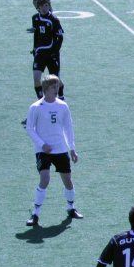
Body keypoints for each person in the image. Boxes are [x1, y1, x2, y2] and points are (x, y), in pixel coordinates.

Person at [25, 74, 82, 226]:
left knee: (67, 181)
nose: (56, 89)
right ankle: (35, 214)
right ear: (45, 89)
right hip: (43, 150)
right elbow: (30, 129)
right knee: (44, 179)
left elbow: (68, 128)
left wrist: (72, 148)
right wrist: (42, 144)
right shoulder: (36, 107)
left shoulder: (63, 106)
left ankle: (71, 208)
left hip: (60, 148)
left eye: (57, 86)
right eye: (53, 87)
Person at [31, 0, 65, 100]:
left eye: (46, 5)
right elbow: (36, 35)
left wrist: (55, 52)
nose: (44, 8)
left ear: (49, 5)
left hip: (51, 54)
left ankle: (61, 96)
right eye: (41, 6)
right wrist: (35, 49)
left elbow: (60, 37)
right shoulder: (35, 18)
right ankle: (41, 100)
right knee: (36, 78)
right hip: (40, 53)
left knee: (55, 79)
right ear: (38, 7)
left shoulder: (54, 20)